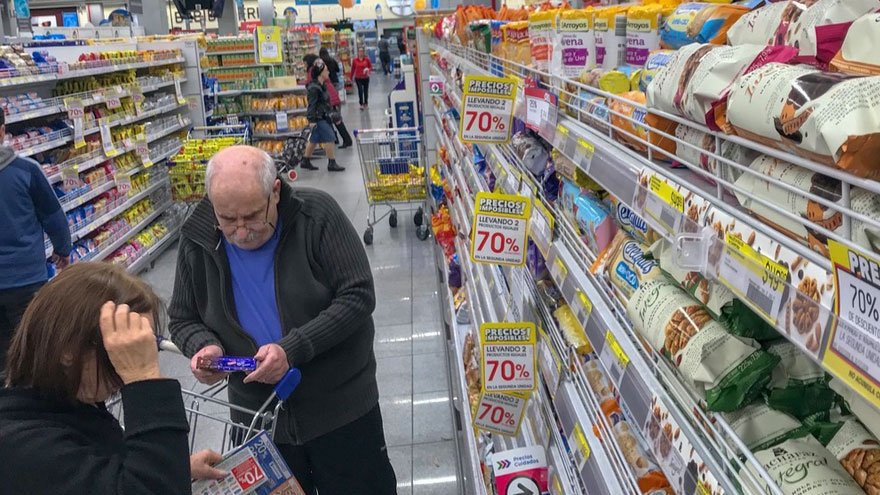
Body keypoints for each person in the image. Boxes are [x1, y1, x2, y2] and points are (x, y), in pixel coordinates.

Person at [168, 145, 397, 495]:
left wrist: (291, 349)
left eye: (252, 216)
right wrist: (205, 347)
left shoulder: (316, 215)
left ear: (275, 191)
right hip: (257, 421)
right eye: (227, 219)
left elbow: (359, 294)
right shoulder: (197, 237)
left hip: (341, 409)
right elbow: (183, 319)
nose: (241, 231)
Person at [0, 262, 226, 494]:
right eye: (121, 350)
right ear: (69, 351)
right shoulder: (23, 448)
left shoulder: (69, 405)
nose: (125, 369)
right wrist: (145, 378)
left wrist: (174, 466)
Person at [0, 108, 72, 374]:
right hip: (26, 279)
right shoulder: (26, 170)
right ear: (2, 131)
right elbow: (53, 216)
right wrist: (63, 250)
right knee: (34, 349)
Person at [302, 62, 345, 172]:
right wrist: (311, 120)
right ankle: (332, 163)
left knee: (314, 139)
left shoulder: (322, 86)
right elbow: (311, 105)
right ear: (320, 73)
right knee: (330, 138)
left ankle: (305, 160)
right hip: (318, 118)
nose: (328, 72)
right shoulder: (314, 88)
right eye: (326, 70)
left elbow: (325, 103)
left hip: (323, 116)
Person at [308, 53, 352, 149]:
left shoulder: (316, 73)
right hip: (333, 96)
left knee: (334, 120)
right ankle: (343, 139)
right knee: (336, 120)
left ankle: (342, 139)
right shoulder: (324, 75)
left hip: (330, 100)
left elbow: (311, 84)